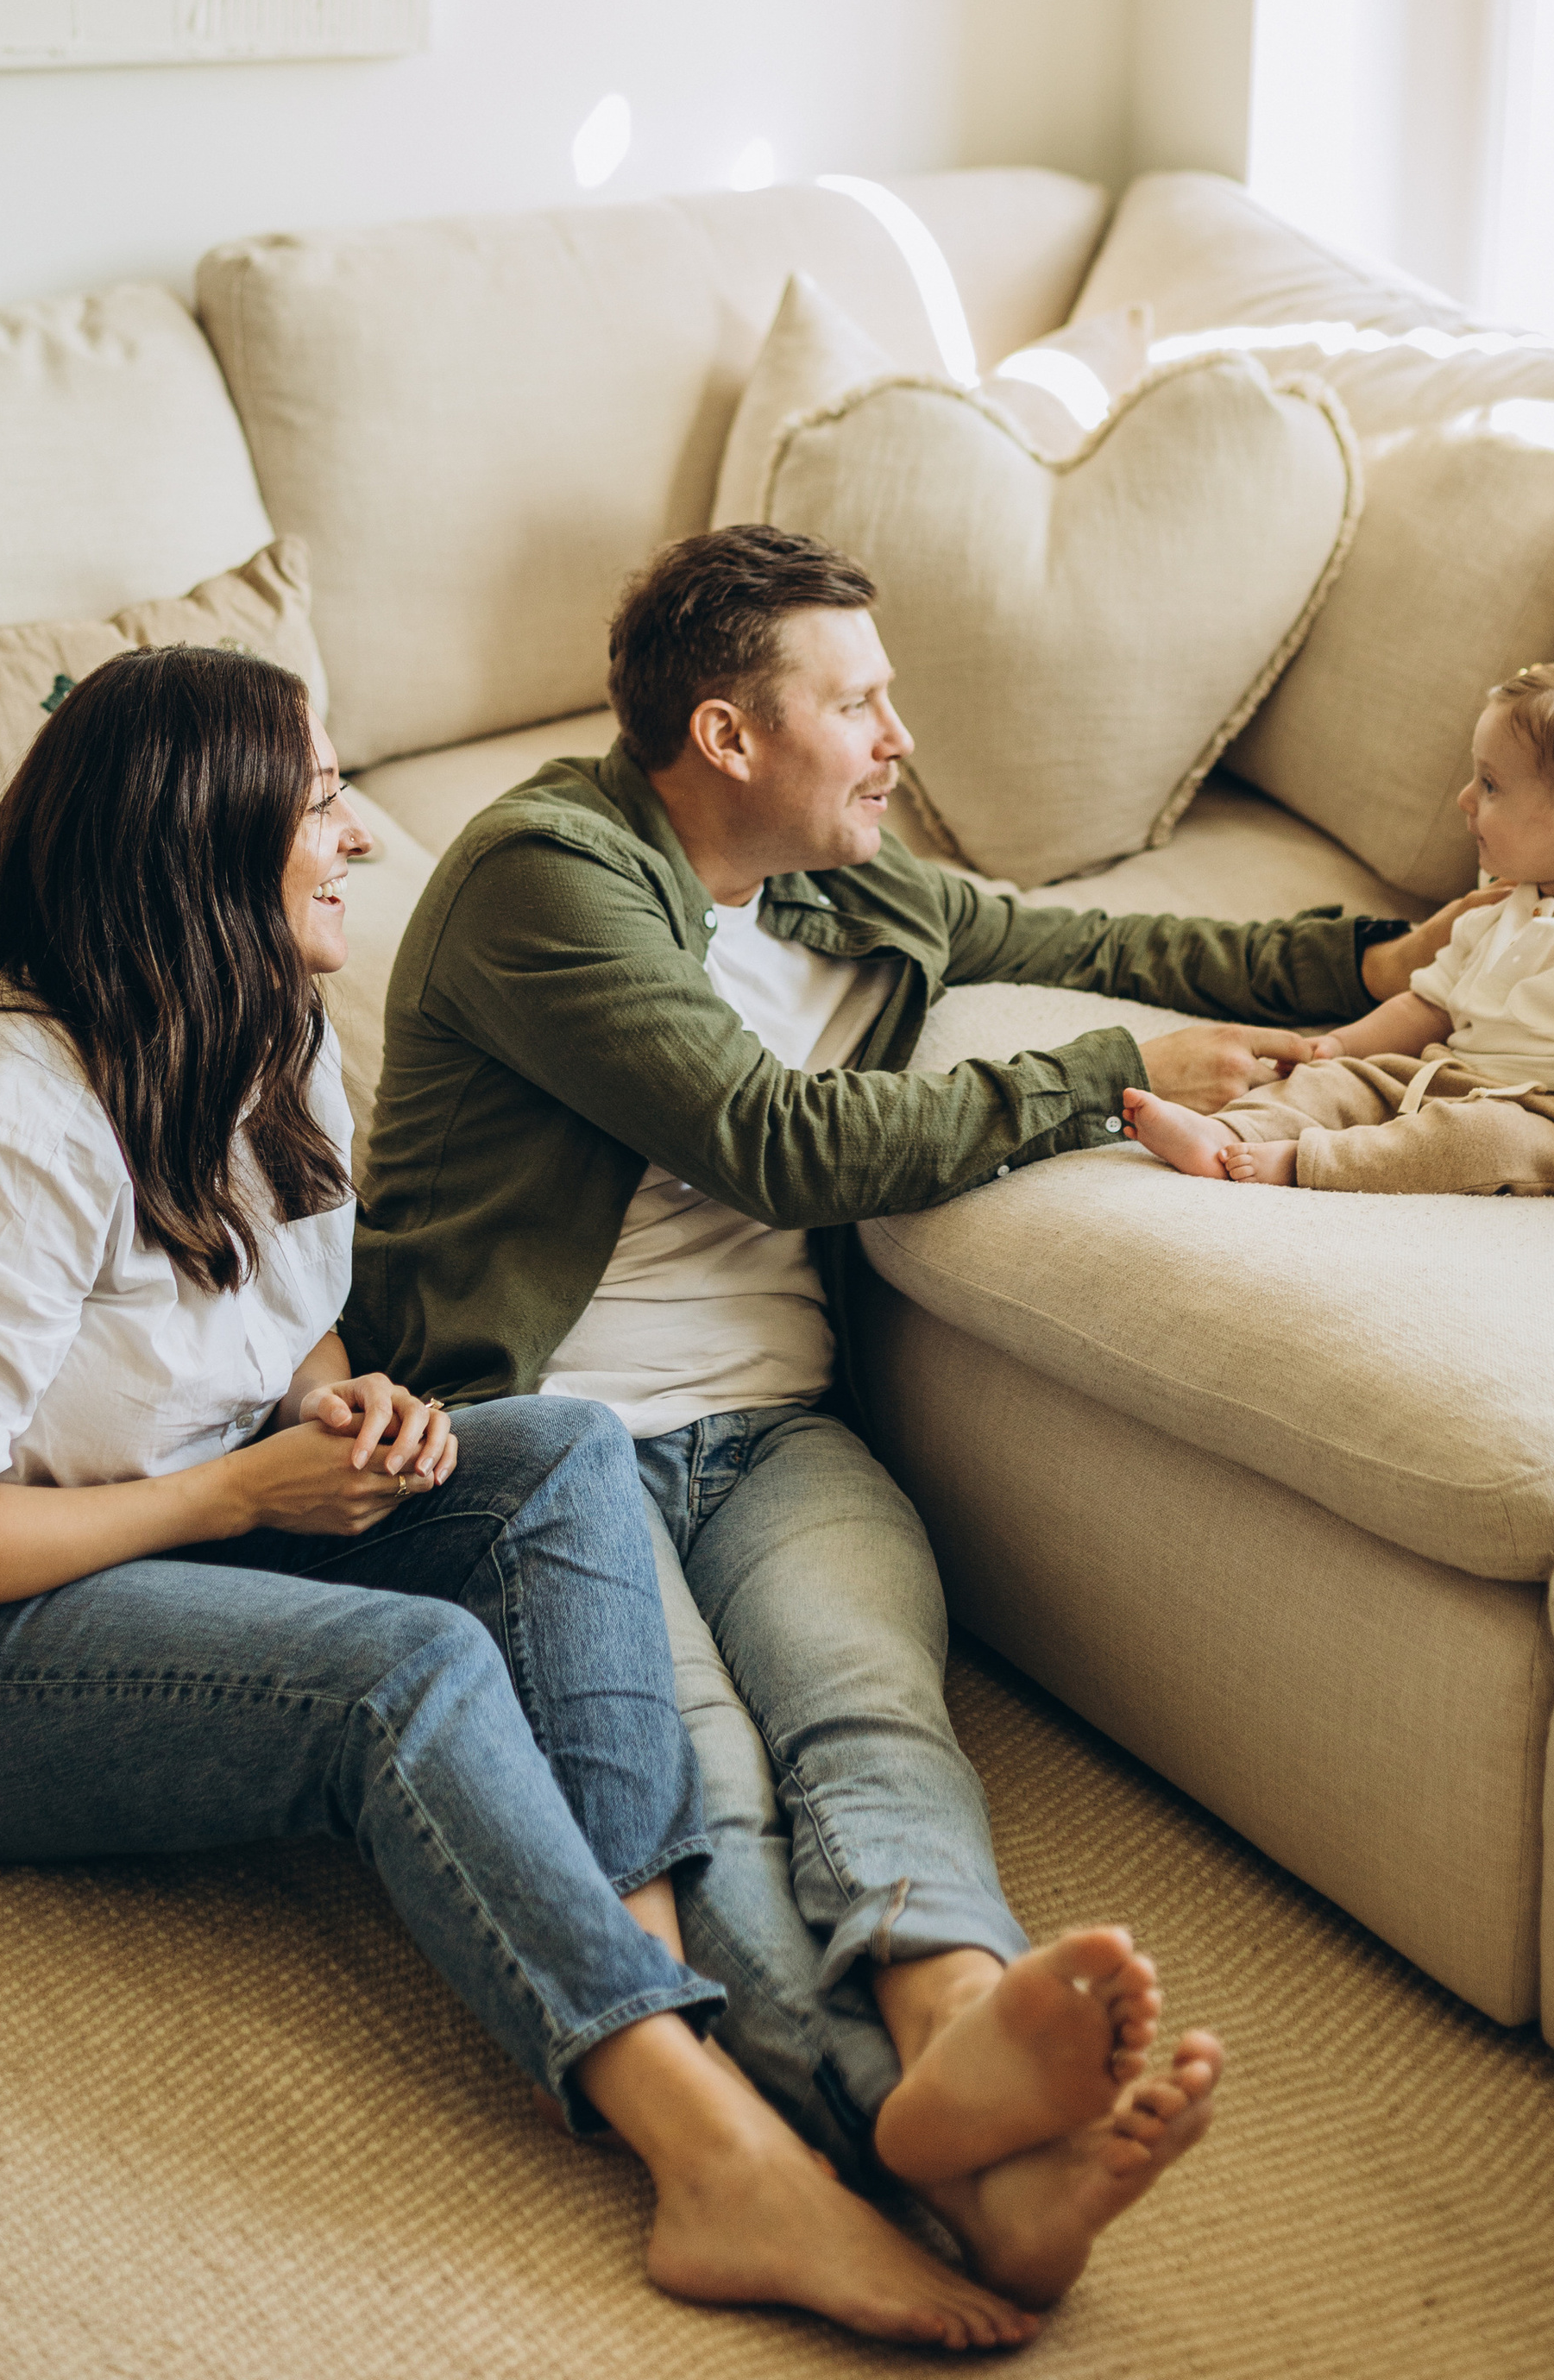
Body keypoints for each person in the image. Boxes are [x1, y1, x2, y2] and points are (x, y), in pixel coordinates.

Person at [0, 647, 1046, 2354]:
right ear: (201, 841)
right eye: (326, 798)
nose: (361, 836)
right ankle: (710, 2151)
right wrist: (236, 1498)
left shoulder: (269, 1023)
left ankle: (677, 1996)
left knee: (560, 1445)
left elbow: (278, 1309)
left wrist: (328, 1398)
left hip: (143, 1500)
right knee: (402, 1677)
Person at [350, 526, 1487, 2304]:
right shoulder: (544, 874)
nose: (897, 737)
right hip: (551, 1454)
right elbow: (772, 1142)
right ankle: (922, 2142)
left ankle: (958, 2019)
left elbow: (1101, 942)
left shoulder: (843, 889)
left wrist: (1379, 961)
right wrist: (1095, 1080)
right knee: (702, 1783)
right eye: (859, 702)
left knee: (867, 1715)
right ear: (726, 738)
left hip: (774, 1428)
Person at [1124, 656, 1554, 1195]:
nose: (1463, 798)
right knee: (1339, 1083)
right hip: (1440, 1072)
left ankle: (1305, 1163)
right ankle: (1226, 1132)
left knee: (1480, 1141)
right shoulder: (1505, 902)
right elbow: (1428, 1004)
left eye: (1490, 785)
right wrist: (1336, 1046)